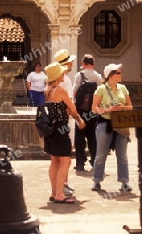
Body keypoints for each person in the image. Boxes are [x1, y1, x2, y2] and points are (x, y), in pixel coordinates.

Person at [43, 61, 86, 203]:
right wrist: (80, 121)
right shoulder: (60, 91)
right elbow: (72, 109)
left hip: (51, 130)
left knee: (54, 161)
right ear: (57, 76)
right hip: (61, 130)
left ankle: (54, 192)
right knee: (65, 161)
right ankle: (60, 194)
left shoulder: (47, 90)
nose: (64, 74)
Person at [91, 63, 133, 192]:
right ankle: (97, 180)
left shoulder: (123, 88)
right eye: (118, 73)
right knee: (101, 154)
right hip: (105, 123)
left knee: (122, 155)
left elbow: (130, 107)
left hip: (121, 123)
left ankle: (124, 182)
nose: (121, 74)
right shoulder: (101, 89)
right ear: (110, 75)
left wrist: (122, 108)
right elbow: (94, 108)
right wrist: (108, 109)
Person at [72, 54, 103, 171]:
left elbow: (74, 92)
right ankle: (95, 161)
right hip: (93, 110)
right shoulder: (98, 76)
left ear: (83, 63)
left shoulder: (79, 75)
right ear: (93, 64)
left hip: (81, 110)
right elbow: (100, 93)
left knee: (79, 136)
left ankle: (80, 163)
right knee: (93, 136)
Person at [54, 48, 76, 195]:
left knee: (56, 157)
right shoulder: (66, 80)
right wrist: (77, 117)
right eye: (71, 61)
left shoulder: (52, 81)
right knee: (66, 156)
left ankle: (59, 184)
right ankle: (63, 184)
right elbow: (69, 102)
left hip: (56, 120)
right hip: (66, 120)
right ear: (67, 63)